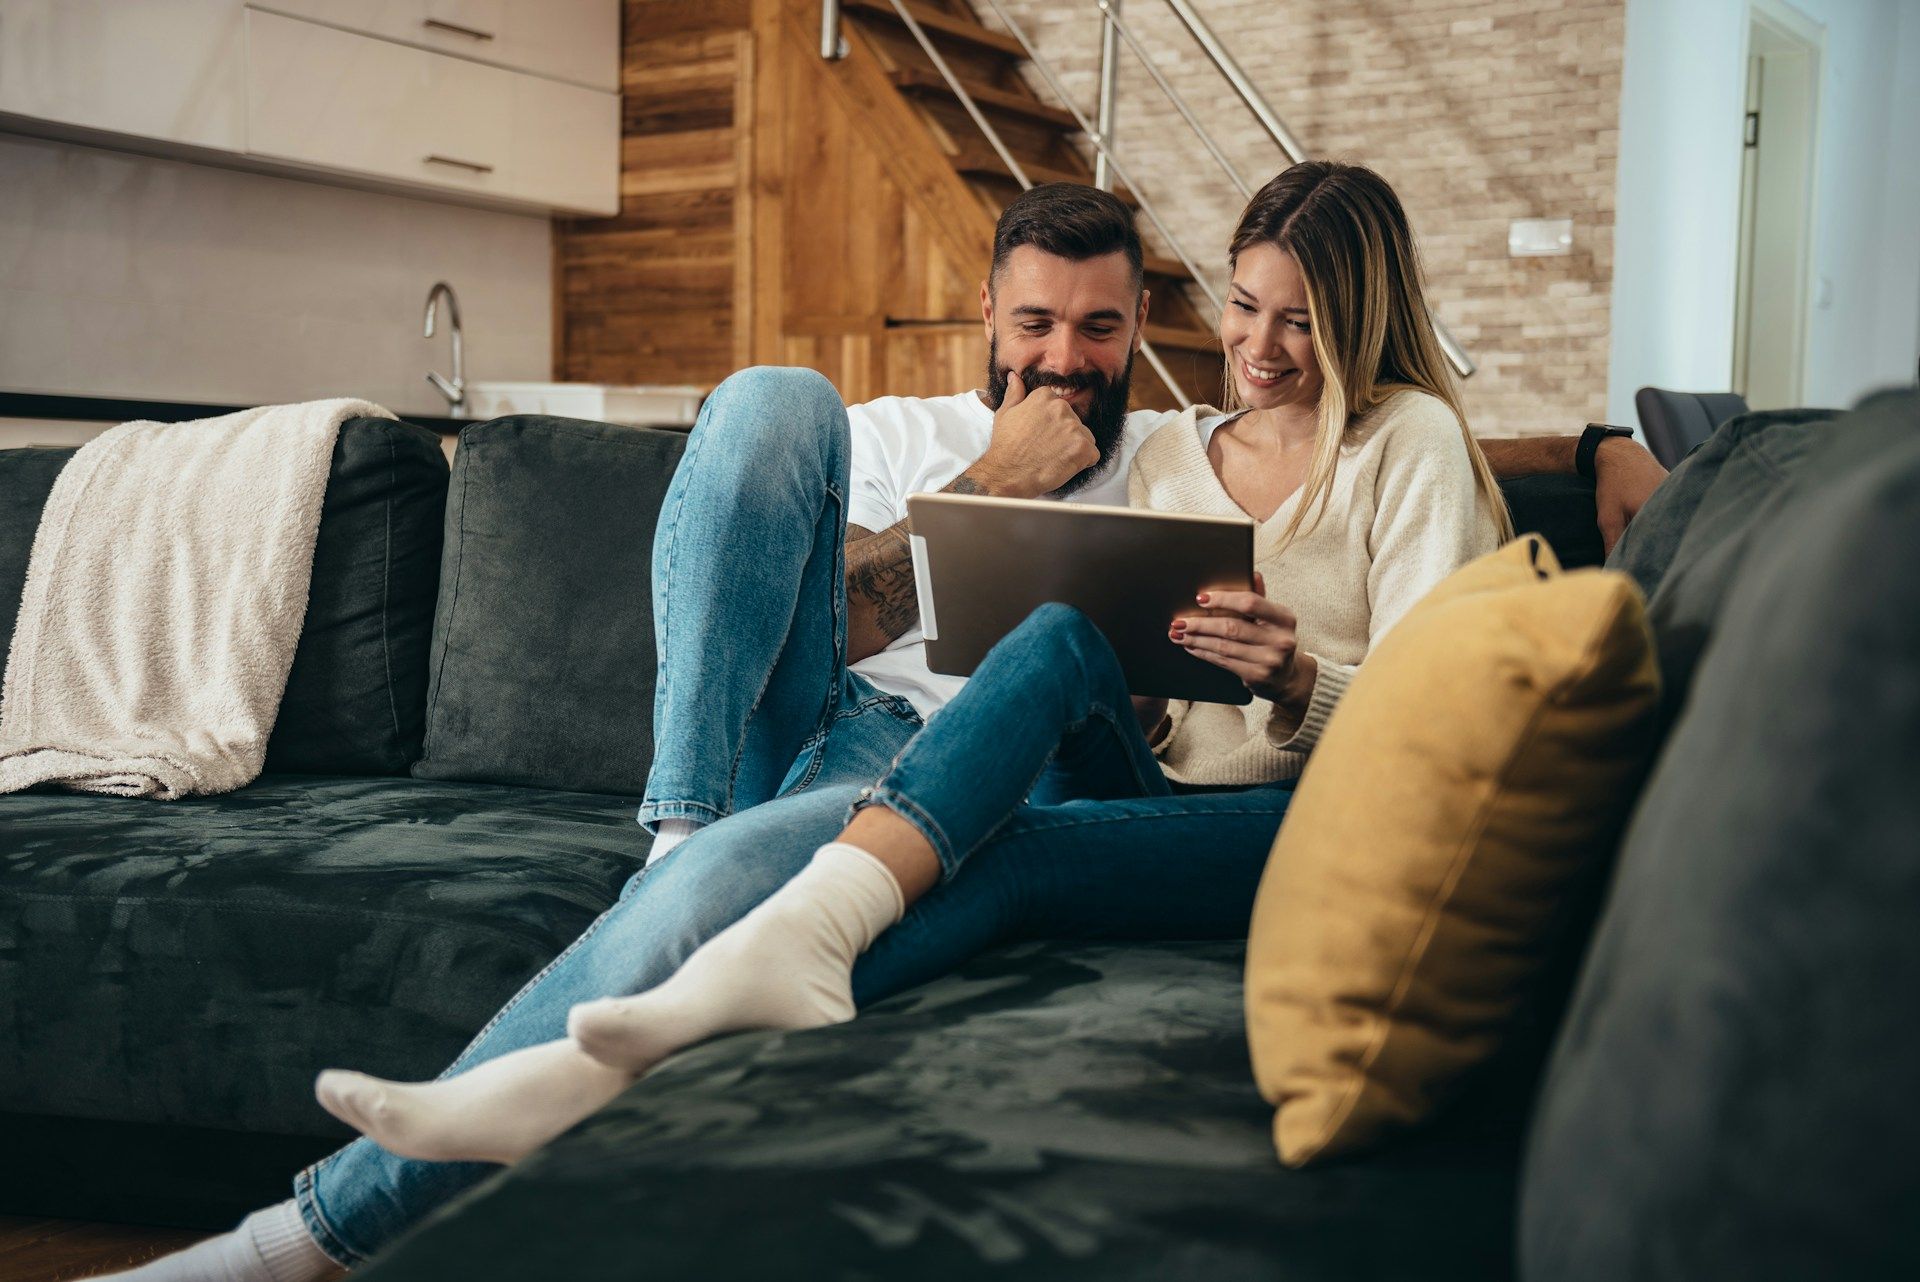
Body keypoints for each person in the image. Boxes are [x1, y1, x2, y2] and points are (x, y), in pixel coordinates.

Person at [104, 175, 1658, 1281]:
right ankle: (686, 838)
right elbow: (805, 594)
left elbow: (1442, 682)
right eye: (1245, 310)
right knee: (848, 467)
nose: (1259, 348)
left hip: (1144, 781)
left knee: (990, 779)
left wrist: (1319, 663)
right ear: (991, 313)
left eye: (1299, 323)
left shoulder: (1361, 447)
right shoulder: (1149, 445)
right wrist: (995, 482)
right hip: (926, 738)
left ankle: (338, 1215)